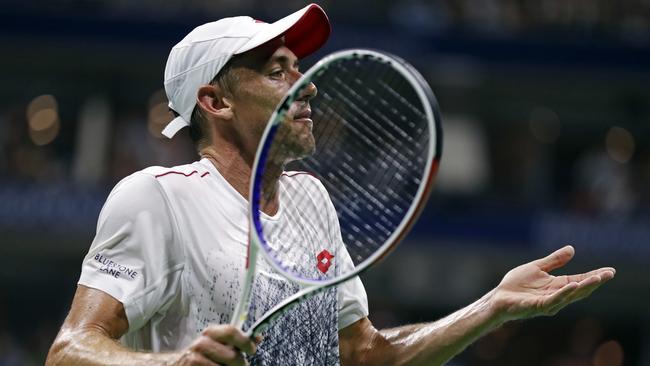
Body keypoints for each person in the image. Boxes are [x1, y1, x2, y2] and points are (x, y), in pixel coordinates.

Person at [46, 4, 615, 366]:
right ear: (215, 102)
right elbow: (71, 349)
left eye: (300, 66)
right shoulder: (158, 197)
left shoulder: (310, 200)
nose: (308, 86)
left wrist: (492, 307)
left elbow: (364, 354)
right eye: (277, 72)